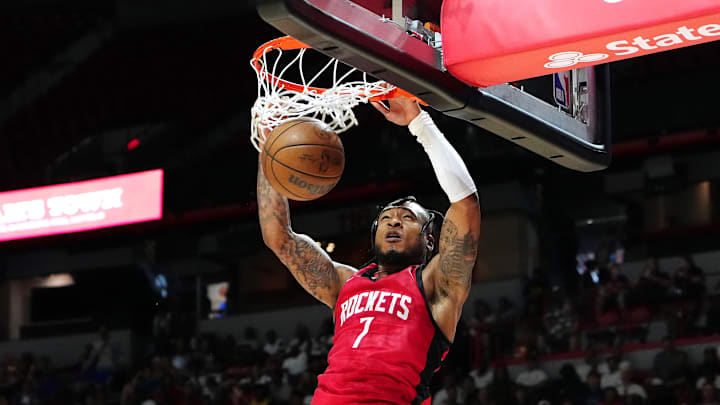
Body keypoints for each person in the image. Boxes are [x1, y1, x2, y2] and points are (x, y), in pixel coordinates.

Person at [257, 97, 480, 404]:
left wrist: (419, 124)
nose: (394, 222)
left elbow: (465, 204)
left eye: (407, 218)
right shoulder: (346, 283)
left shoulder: (435, 285)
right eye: (386, 218)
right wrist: (269, 150)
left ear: (430, 240)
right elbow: (278, 236)